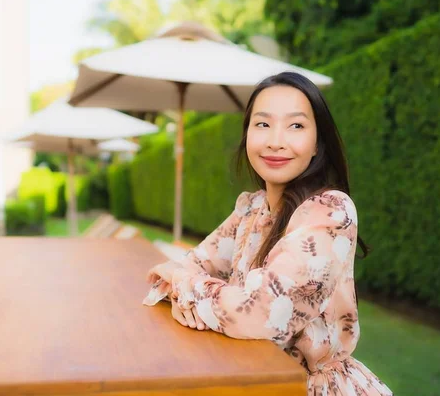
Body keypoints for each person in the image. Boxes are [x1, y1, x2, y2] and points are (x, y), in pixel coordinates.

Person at [143, 72, 392, 396]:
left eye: (296, 125)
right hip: (249, 376)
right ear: (247, 133)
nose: (276, 140)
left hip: (307, 387)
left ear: (318, 143)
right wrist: (190, 284)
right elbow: (194, 264)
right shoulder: (251, 208)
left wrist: (186, 286)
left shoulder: (330, 212)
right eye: (262, 124)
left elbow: (263, 313)